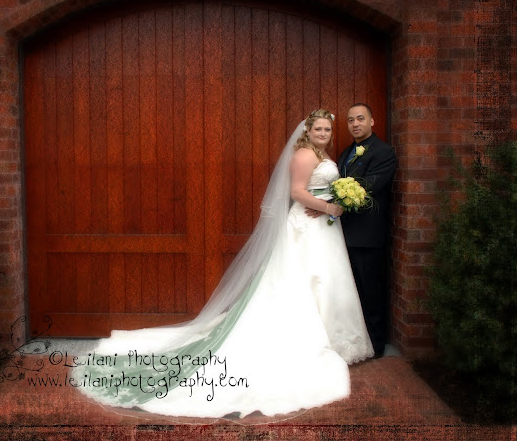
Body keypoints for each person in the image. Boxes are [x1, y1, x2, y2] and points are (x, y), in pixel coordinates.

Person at [71, 109, 373, 419]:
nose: (323, 133)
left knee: (325, 279)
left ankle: (335, 336)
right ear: (307, 132)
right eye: (318, 129)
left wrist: (335, 204)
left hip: (323, 227)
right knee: (307, 279)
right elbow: (296, 192)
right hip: (307, 227)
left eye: (327, 130)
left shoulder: (324, 155)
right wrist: (329, 207)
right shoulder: (305, 155)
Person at [336, 103, 397, 358]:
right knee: (352, 293)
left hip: (368, 236)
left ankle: (375, 345)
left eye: (360, 118)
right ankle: (358, 341)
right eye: (351, 120)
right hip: (344, 234)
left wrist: (333, 201)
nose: (355, 124)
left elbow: (368, 186)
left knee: (371, 291)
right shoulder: (346, 152)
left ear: (372, 121)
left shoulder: (383, 152)